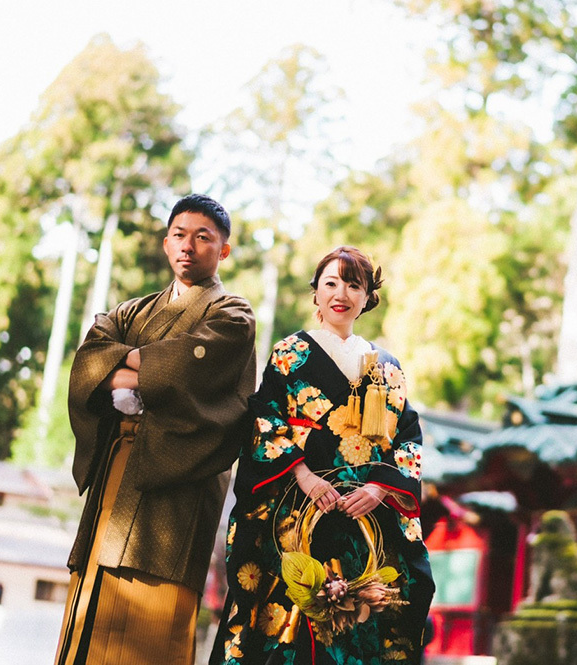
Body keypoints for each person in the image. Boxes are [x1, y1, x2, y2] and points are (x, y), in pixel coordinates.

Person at [55, 193, 257, 665]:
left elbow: (190, 374)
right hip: (116, 470)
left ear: (223, 250)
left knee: (152, 617)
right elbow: (86, 364)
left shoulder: (233, 314)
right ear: (166, 244)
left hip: (175, 481)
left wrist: (118, 368)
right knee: (92, 601)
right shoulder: (132, 311)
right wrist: (151, 372)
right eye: (180, 235)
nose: (189, 246)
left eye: (203, 237)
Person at [211, 246, 434, 665]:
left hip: (364, 523)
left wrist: (379, 488)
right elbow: (266, 420)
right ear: (316, 294)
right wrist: (305, 476)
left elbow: (407, 438)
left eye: (355, 285)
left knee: (364, 623)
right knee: (287, 626)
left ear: (368, 297)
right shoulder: (290, 353)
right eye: (331, 283)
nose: (342, 293)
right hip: (295, 515)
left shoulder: (388, 368)